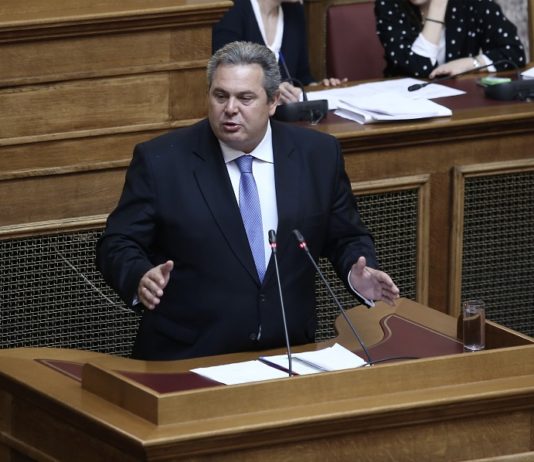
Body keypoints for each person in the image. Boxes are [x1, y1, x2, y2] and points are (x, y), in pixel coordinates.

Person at [96, 41, 399, 361]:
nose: (230, 108)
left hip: (288, 350)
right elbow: (117, 242)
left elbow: (346, 236)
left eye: (245, 98)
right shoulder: (162, 161)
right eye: (220, 96)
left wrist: (356, 272)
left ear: (273, 101)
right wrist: (139, 276)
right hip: (189, 356)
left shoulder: (318, 155)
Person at [212, 0, 346, 103]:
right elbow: (226, 77)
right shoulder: (232, 9)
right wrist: (270, 90)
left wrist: (320, 87)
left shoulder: (295, 11)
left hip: (289, 118)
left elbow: (302, 77)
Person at [374, 0, 526, 78]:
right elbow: (419, 68)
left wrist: (471, 63)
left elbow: (514, 52)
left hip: (461, 101)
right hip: (405, 105)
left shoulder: (472, 3)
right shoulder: (388, 4)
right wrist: (438, 6)